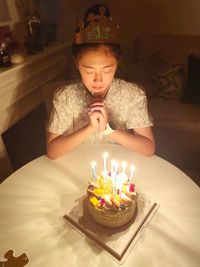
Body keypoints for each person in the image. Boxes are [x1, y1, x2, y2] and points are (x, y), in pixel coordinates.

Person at [46, 4, 155, 160]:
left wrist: (108, 129)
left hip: (117, 168)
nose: (98, 79)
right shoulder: (66, 96)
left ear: (117, 63)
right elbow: (53, 151)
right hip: (77, 164)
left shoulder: (132, 94)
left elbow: (148, 148)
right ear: (76, 63)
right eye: (89, 71)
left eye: (107, 70)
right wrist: (90, 128)